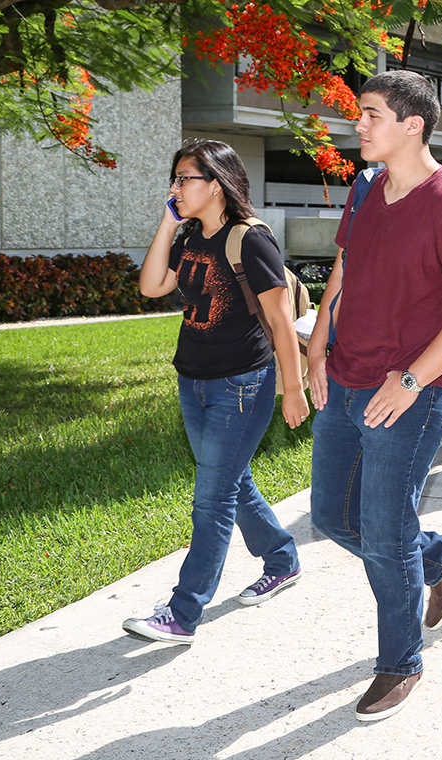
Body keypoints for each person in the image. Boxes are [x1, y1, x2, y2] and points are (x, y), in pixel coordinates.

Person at [306, 70, 442, 721]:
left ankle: (400, 662)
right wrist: (314, 348)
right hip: (345, 378)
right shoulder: (365, 189)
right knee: (332, 516)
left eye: (372, 114)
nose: (358, 124)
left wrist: (412, 378)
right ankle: (438, 556)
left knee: (386, 533)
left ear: (412, 124)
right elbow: (343, 270)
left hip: (410, 396)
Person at [124, 139, 308, 644]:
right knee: (230, 480)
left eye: (185, 178)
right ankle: (283, 558)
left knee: (212, 497)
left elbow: (279, 320)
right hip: (193, 380)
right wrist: (167, 222)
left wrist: (293, 389)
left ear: (217, 184)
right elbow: (151, 285)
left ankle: (184, 612)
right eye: (176, 178)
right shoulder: (188, 240)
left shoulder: (251, 240)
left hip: (243, 383)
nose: (176, 187)